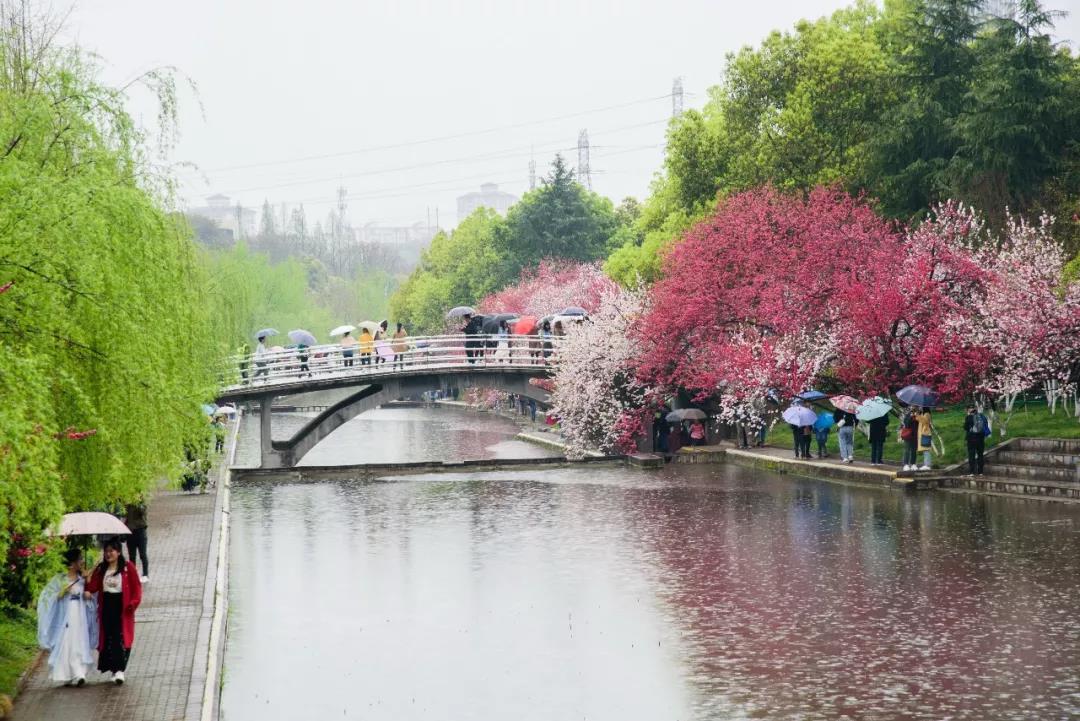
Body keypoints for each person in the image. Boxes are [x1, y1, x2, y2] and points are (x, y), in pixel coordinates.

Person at [85, 539, 142, 685]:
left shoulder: (128, 568)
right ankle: (113, 669)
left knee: (120, 637)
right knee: (109, 638)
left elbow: (137, 589)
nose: (108, 554)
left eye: (111, 551)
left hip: (122, 608)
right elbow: (93, 587)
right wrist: (87, 579)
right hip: (106, 607)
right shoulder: (101, 569)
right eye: (106, 551)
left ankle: (120, 670)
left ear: (118, 552)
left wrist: (133, 603)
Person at [37, 548, 97, 687]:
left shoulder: (82, 579)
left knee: (79, 639)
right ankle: (68, 673)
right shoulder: (60, 579)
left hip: (80, 614)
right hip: (66, 616)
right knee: (67, 641)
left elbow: (91, 596)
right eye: (79, 559)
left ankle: (79, 671)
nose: (82, 561)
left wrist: (88, 586)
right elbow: (47, 596)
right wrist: (60, 593)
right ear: (71, 564)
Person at [124, 500, 150, 582]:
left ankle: (145, 574)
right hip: (130, 532)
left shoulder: (141, 502)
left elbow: (142, 511)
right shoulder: (126, 503)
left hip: (140, 531)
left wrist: (137, 502)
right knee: (132, 556)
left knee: (142, 554)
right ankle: (133, 575)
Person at [964, 405, 989, 476]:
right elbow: (985, 425)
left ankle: (972, 472)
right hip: (980, 438)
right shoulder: (982, 416)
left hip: (971, 439)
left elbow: (965, 427)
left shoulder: (968, 417)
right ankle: (980, 472)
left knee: (971, 455)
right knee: (980, 455)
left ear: (969, 410)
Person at [915, 406, 935, 470]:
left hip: (925, 434)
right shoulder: (923, 414)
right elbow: (919, 420)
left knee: (926, 449)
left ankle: (927, 465)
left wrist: (918, 415)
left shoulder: (927, 414)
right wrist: (918, 415)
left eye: (921, 407)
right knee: (924, 449)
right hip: (922, 434)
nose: (920, 408)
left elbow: (925, 422)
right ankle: (926, 464)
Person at [899, 405, 918, 471]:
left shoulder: (919, 414)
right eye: (913, 406)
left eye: (915, 407)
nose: (914, 407)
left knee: (913, 450)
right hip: (908, 435)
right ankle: (906, 464)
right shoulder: (908, 414)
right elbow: (906, 424)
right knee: (907, 450)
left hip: (915, 435)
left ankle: (913, 464)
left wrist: (917, 417)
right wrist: (911, 416)